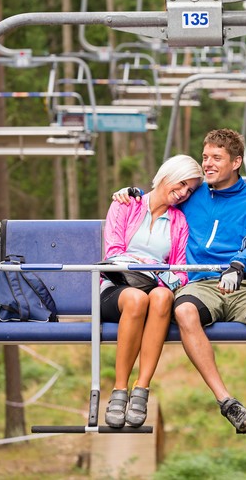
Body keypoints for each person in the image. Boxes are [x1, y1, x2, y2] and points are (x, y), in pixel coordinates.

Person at [114, 129, 246, 432]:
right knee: (183, 310)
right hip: (201, 284)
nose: (207, 164)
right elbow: (161, 198)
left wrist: (240, 265)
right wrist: (132, 196)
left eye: (216, 158)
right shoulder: (193, 196)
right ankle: (227, 402)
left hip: (244, 282)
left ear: (236, 161)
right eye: (205, 157)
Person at [101, 154, 204, 429]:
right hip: (117, 288)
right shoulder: (126, 205)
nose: (183, 193)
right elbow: (113, 253)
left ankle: (141, 389)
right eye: (181, 184)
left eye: (189, 190)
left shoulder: (179, 222)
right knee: (136, 299)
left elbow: (180, 271)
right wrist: (152, 265)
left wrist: (157, 274)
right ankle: (119, 389)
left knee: (162, 297)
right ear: (167, 174)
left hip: (155, 288)